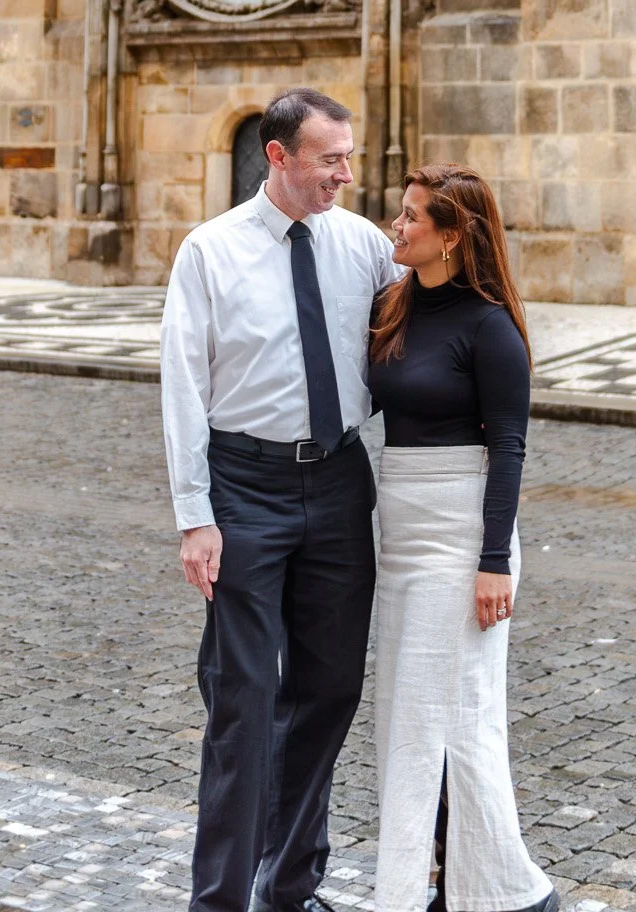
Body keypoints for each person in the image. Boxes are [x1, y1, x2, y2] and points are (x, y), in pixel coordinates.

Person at [160, 88, 399, 912]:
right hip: (244, 488)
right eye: (329, 159)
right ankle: (220, 900)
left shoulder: (364, 244)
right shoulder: (210, 251)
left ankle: (289, 885)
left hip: (337, 481)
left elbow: (417, 323)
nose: (344, 173)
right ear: (278, 156)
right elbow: (184, 389)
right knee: (243, 700)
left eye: (348, 157)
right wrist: (196, 516)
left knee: (330, 689)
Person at [368, 165, 556, 912]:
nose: (398, 225)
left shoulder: (489, 327)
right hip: (400, 530)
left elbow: (507, 448)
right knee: (407, 718)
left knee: (460, 717)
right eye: (401, 212)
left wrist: (491, 565)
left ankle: (503, 892)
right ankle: (463, 885)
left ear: (452, 236)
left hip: (461, 534)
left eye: (413, 217)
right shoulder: (391, 305)